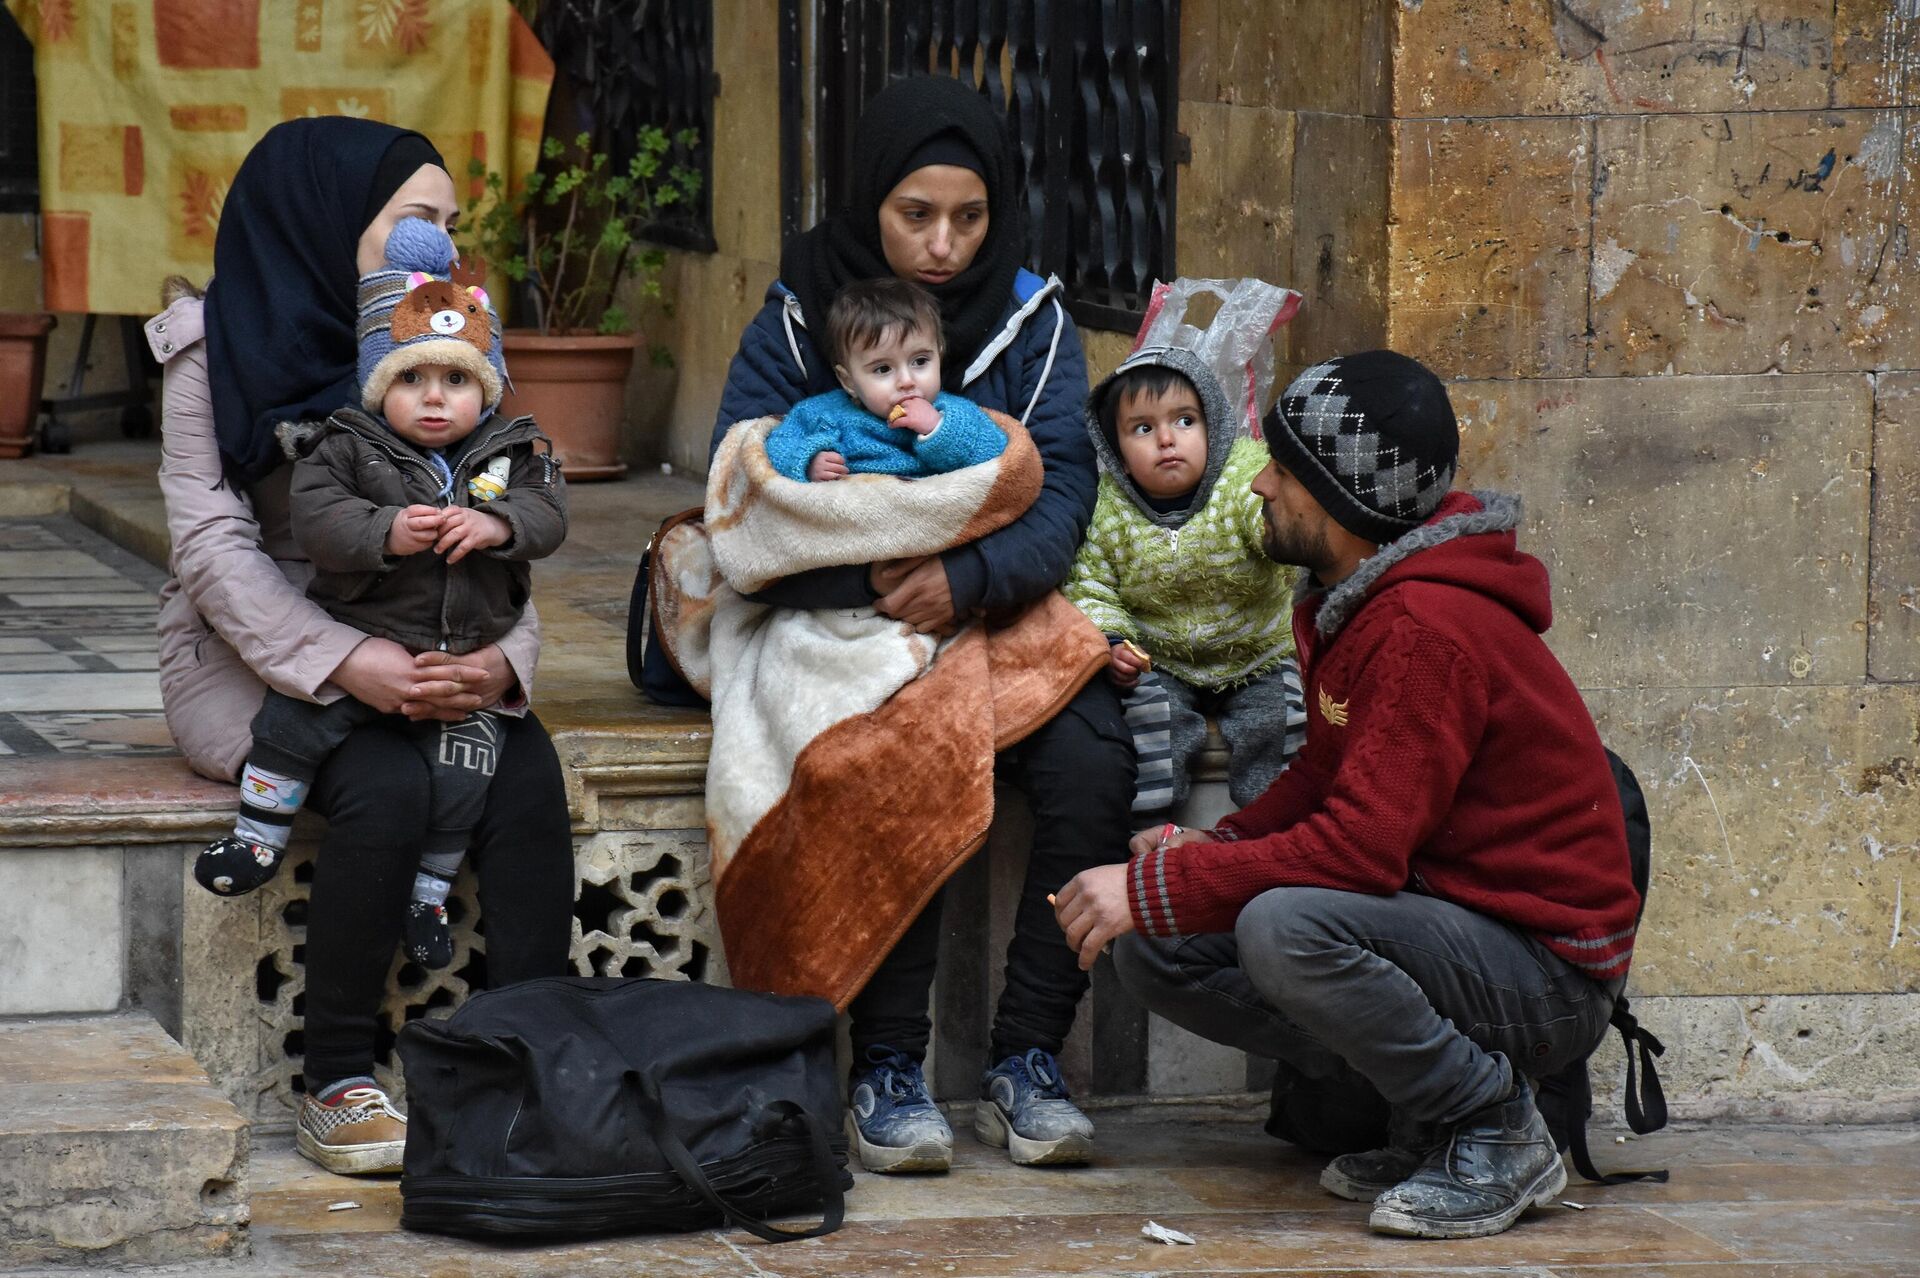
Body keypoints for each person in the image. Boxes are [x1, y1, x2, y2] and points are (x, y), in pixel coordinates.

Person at [1053, 350, 1640, 1239]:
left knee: (1283, 927)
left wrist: (1154, 888)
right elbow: (1324, 780)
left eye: (1281, 472)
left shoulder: (1422, 629)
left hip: (1545, 975)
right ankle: (1428, 1115)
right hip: (1448, 927)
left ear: (1340, 501)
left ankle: (1494, 1125)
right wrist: (1208, 853)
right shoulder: (1357, 597)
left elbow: (1362, 850)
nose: (1259, 490)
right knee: (1156, 949)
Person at [714, 73, 1128, 1173]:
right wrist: (884, 592)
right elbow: (746, 483)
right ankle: (888, 1068)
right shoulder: (805, 306)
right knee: (901, 752)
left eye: (970, 216)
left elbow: (1065, 491)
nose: (943, 244)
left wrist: (971, 577)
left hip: (994, 606)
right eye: (915, 214)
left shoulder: (1034, 326)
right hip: (845, 617)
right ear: (869, 201)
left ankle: (1026, 1057)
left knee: (1095, 757)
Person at [148, 118, 575, 1177]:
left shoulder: (439, 349)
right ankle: (334, 1078)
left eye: (448, 224)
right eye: (413, 222)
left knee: (522, 770)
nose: (438, 245)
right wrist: (347, 665)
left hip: (432, 644)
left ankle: (538, 1055)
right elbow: (211, 547)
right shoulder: (212, 348)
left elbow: (505, 512)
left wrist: (500, 666)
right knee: (386, 784)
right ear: (327, 222)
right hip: (258, 657)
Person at [193, 216, 568, 978]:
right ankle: (259, 830)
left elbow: (549, 516)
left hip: (459, 660)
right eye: (412, 380)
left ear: (485, 389)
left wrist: (497, 526)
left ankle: (429, 894)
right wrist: (389, 532)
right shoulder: (345, 444)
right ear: (378, 386)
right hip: (361, 639)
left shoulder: (512, 452)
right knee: (294, 723)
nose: (436, 400)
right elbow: (321, 525)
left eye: (457, 380)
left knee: (468, 774)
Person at [1062, 344, 1304, 814]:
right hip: (1163, 658)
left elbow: (1267, 521)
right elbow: (1090, 586)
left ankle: (1271, 819)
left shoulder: (1243, 480)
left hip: (1258, 652)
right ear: (1117, 452)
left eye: (1185, 421)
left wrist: (1270, 527)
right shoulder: (1108, 509)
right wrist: (1113, 642)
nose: (1167, 440)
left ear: (1213, 426)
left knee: (1281, 717)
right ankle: (1151, 824)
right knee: (1150, 716)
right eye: (1143, 428)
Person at [764, 276, 1006, 482]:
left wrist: (936, 428)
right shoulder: (824, 413)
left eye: (920, 361)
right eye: (882, 369)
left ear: (939, 356)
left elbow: (996, 453)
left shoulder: (952, 413)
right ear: (848, 381)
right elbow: (776, 446)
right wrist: (809, 461)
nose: (906, 381)